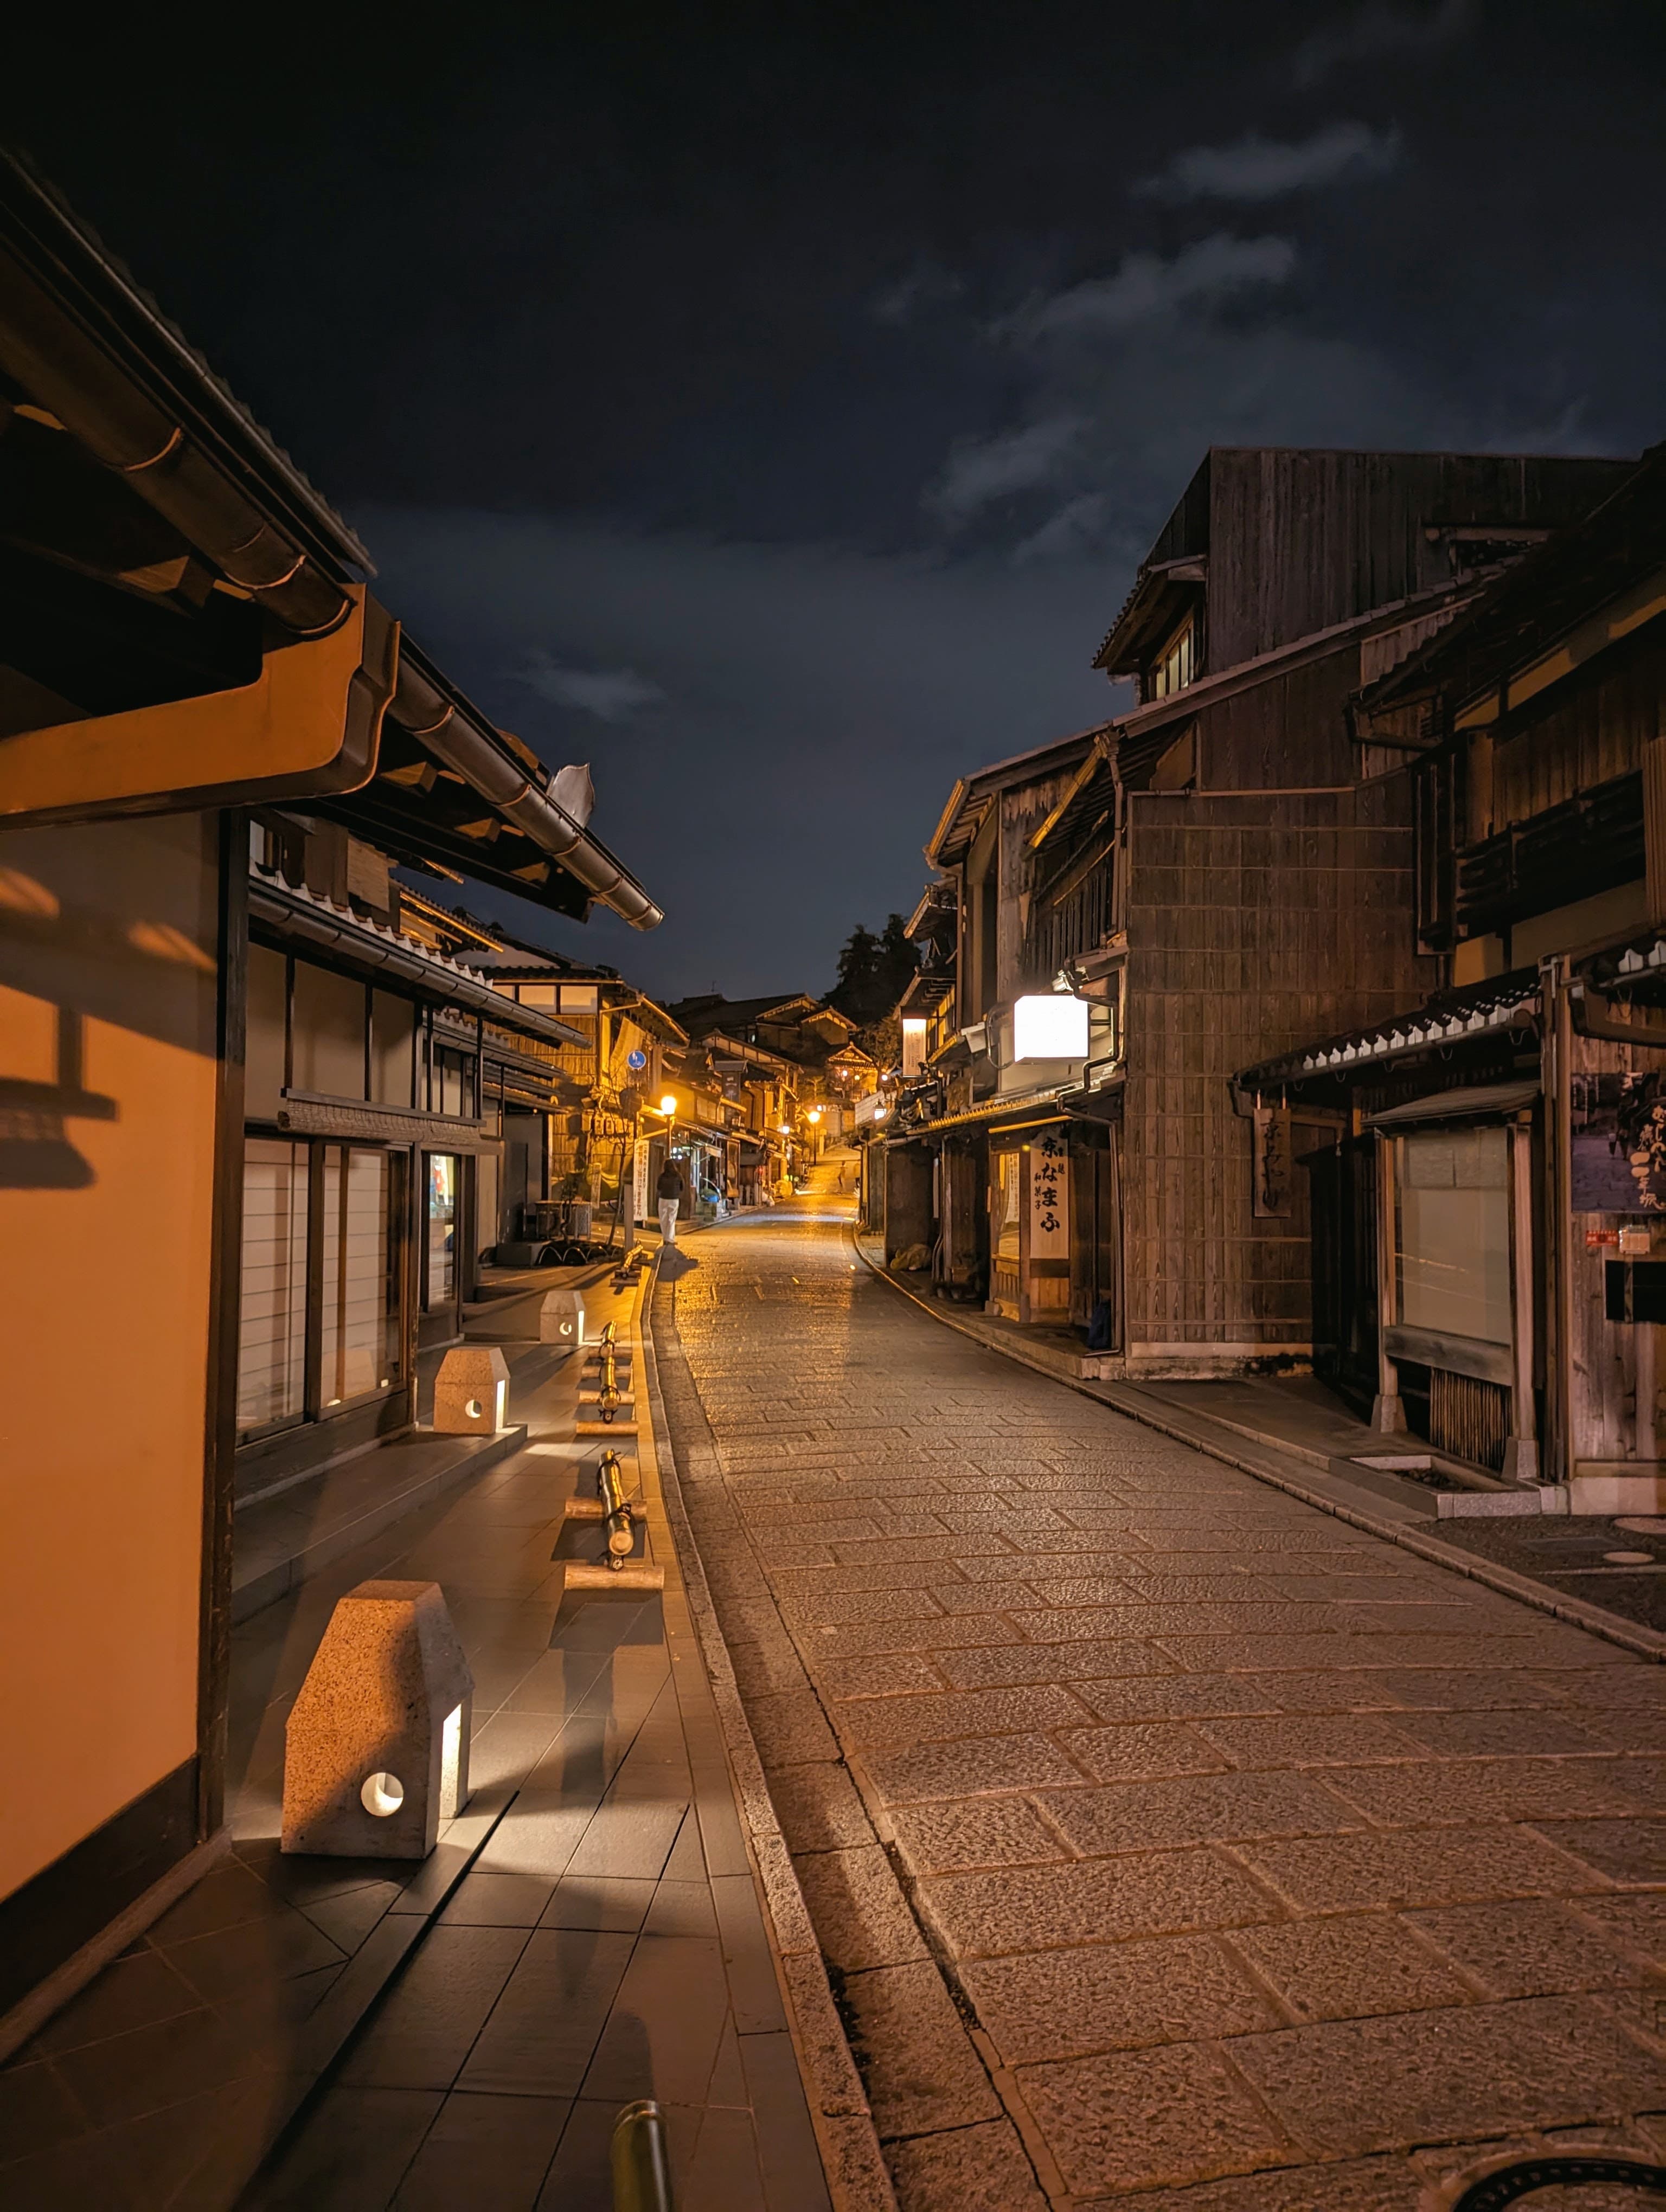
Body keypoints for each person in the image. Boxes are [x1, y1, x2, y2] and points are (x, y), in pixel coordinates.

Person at [655, 1156, 686, 1250]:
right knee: (671, 1219)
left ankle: (665, 1238)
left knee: (663, 1219)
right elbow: (682, 1187)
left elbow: (659, 1187)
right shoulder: (678, 1175)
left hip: (663, 1198)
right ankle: (670, 1239)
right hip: (674, 1199)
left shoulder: (662, 1176)